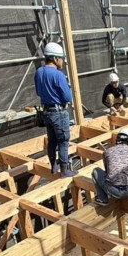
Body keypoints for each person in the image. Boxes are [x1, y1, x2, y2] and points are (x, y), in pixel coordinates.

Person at [35, 42, 78, 178]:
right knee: (63, 141)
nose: (63, 62)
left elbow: (38, 92)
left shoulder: (39, 72)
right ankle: (65, 170)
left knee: (52, 140)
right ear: (55, 58)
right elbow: (68, 97)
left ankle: (54, 166)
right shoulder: (58, 75)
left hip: (46, 112)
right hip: (58, 112)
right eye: (61, 59)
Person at [92, 128, 128, 205]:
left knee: (96, 171)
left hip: (114, 191)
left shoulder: (107, 152)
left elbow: (108, 171)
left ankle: (102, 199)